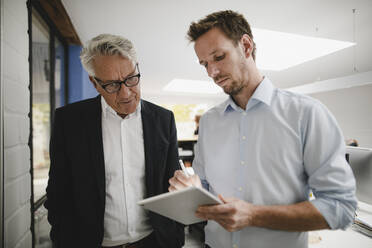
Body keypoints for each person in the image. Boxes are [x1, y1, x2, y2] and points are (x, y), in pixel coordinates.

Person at [169, 10, 357, 248]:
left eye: (218, 57)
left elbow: (341, 207)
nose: (211, 73)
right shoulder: (209, 122)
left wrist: (254, 215)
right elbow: (205, 187)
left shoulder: (306, 114)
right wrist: (192, 191)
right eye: (204, 63)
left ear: (246, 46)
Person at [45, 34, 185, 248]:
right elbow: (58, 192)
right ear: (94, 83)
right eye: (112, 85)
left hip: (155, 241)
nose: (126, 93)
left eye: (131, 78)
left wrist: (175, 238)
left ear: (137, 67)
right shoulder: (69, 121)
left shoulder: (164, 119)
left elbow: (172, 185)